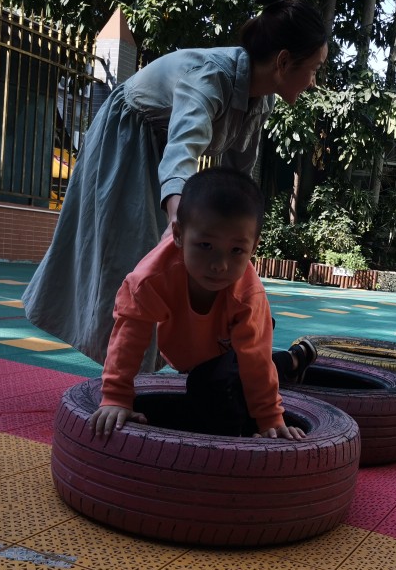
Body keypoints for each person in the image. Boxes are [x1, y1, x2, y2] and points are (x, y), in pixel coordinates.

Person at [23, 0, 328, 363]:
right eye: (314, 70)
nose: (313, 82)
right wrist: (177, 226)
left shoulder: (260, 99)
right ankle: (119, 377)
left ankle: (161, 367)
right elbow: (182, 152)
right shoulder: (211, 76)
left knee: (190, 263)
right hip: (128, 140)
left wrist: (243, 238)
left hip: (163, 153)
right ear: (283, 61)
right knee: (133, 261)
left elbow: (238, 178)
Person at [88, 168, 315, 441]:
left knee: (212, 384)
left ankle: (290, 362)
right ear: (178, 235)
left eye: (236, 250)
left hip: (233, 342)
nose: (220, 265)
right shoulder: (150, 280)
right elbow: (128, 339)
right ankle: (294, 359)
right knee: (215, 376)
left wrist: (269, 419)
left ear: (253, 248)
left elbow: (255, 361)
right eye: (206, 245)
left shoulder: (248, 296)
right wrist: (116, 396)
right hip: (195, 352)